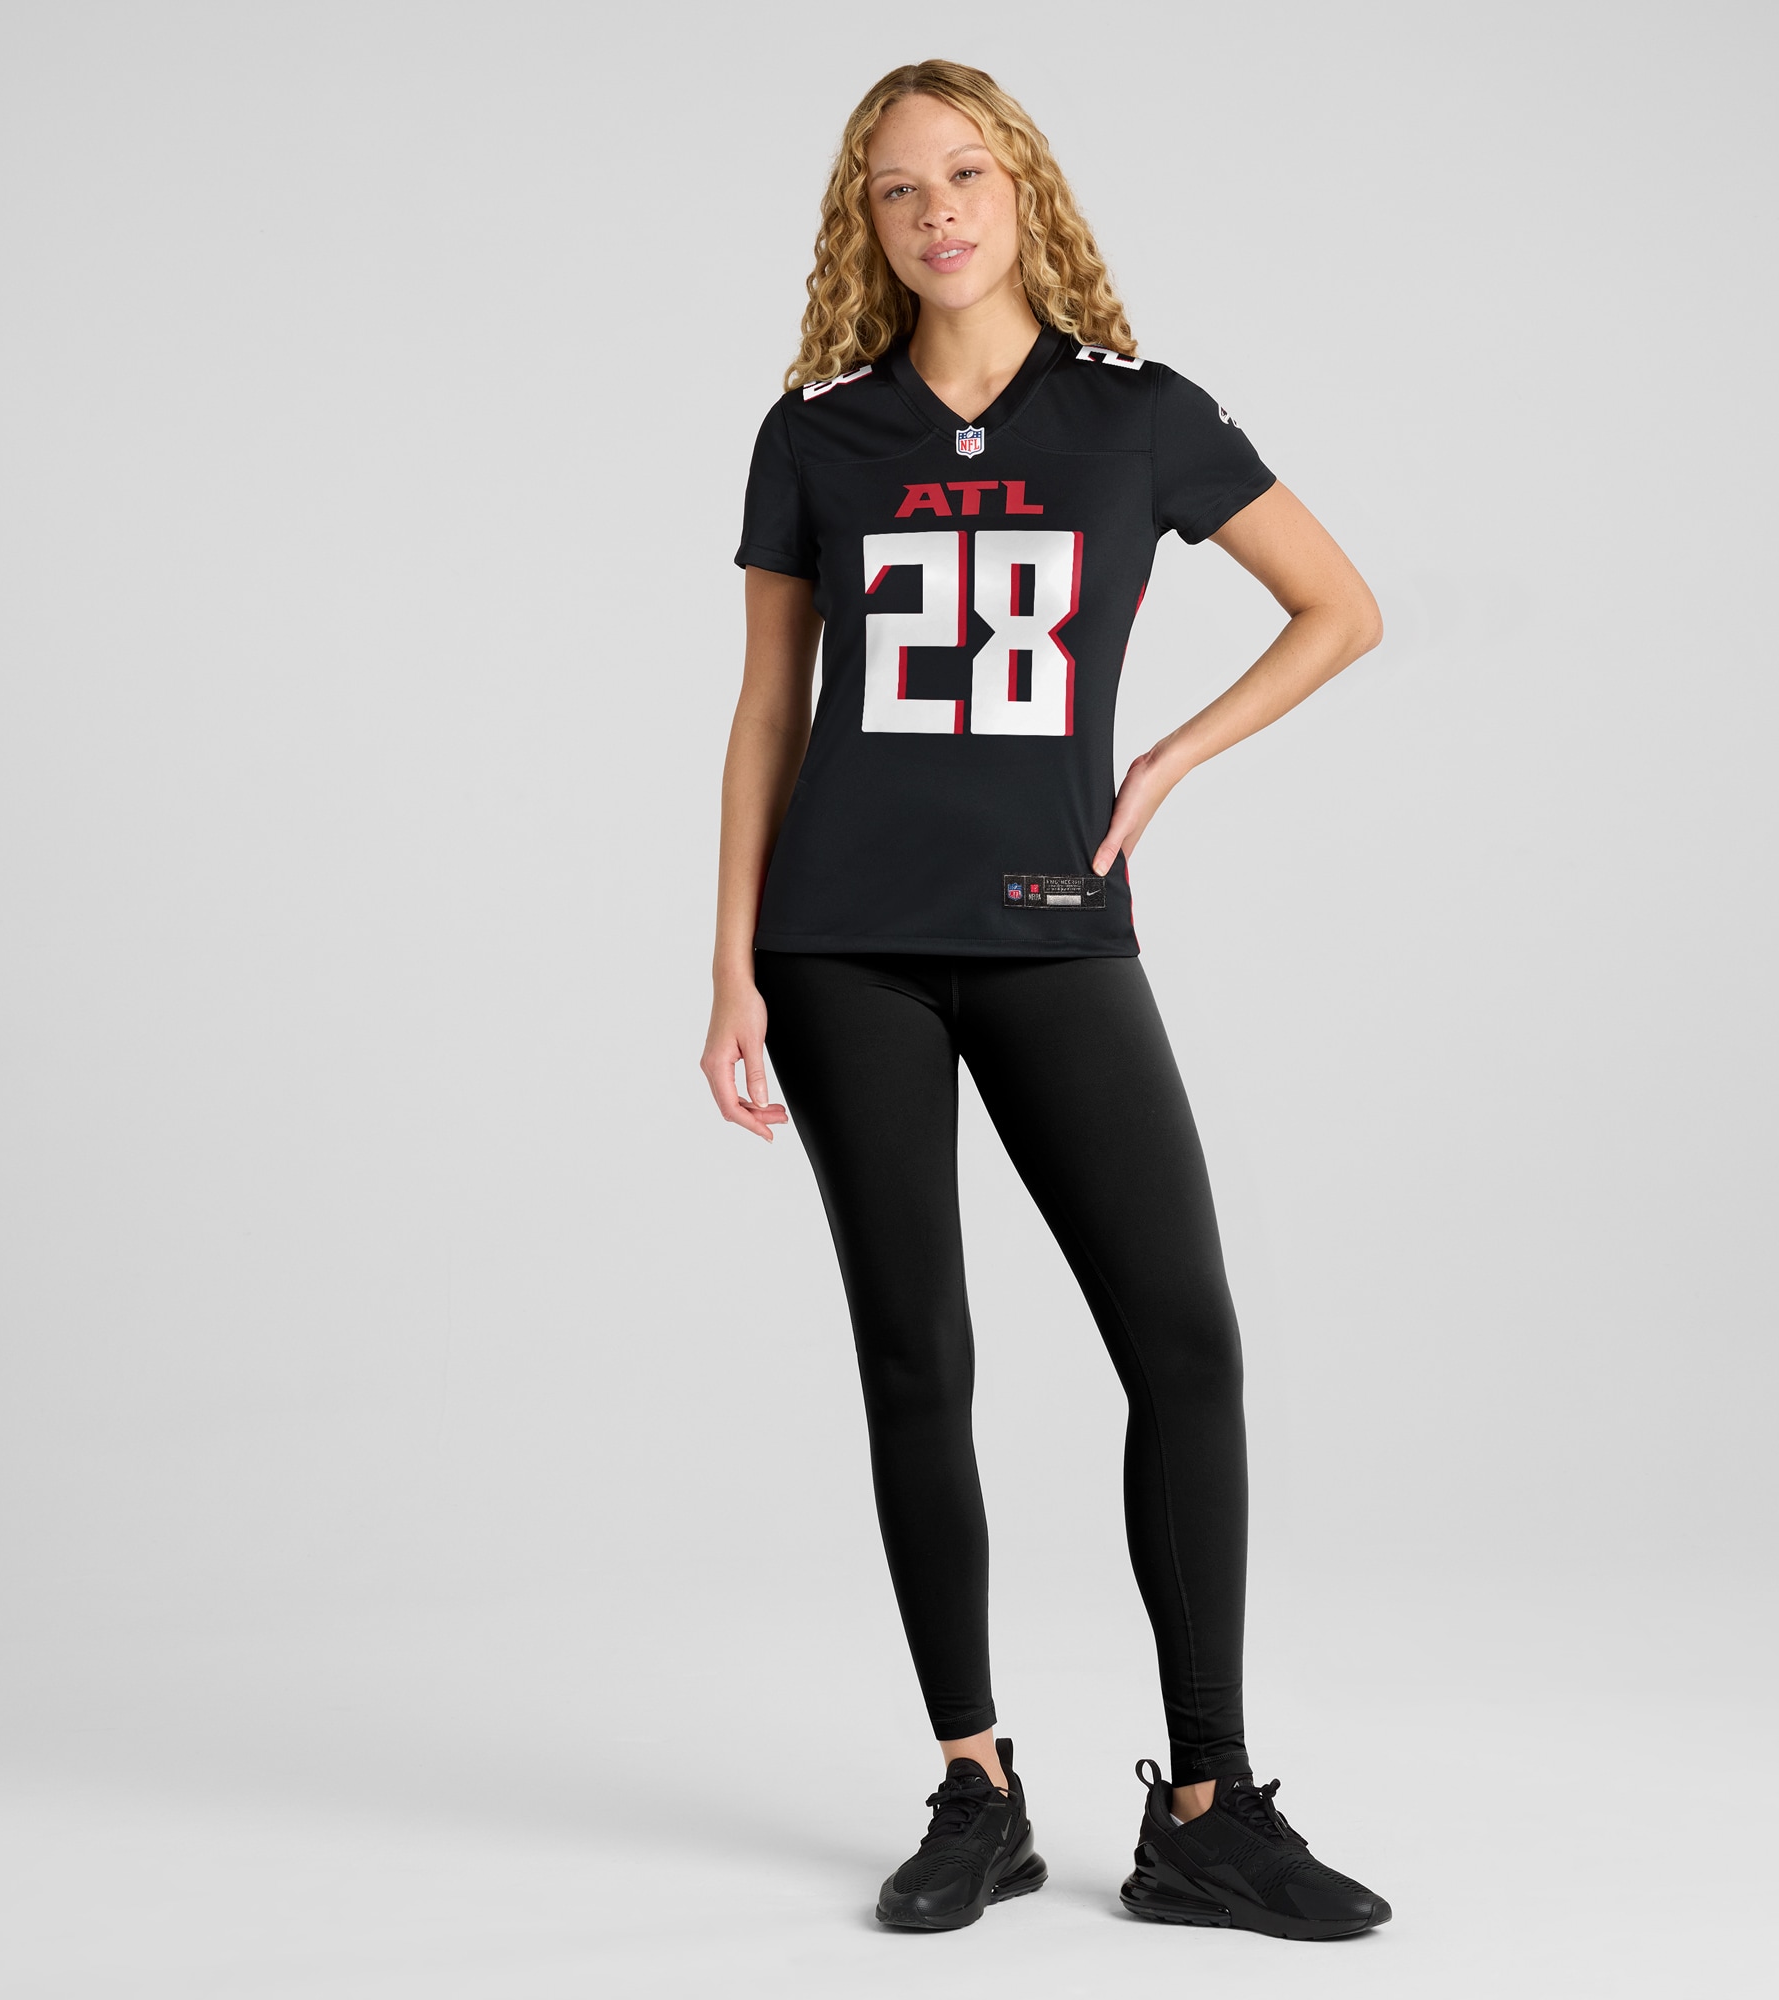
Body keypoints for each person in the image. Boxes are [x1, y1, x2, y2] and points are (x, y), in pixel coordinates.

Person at [702, 58, 1390, 1942]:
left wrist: (1164, 761)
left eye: (966, 173)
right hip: (841, 944)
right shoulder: (816, 434)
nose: (936, 211)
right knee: (916, 1356)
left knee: (1186, 1344)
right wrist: (730, 964)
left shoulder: (1139, 417)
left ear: (1025, 191)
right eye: (897, 187)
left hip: (1052, 927)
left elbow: (1339, 608)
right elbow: (770, 708)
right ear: (865, 223)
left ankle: (1207, 1807)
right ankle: (975, 1788)